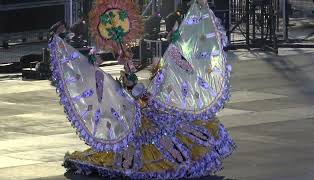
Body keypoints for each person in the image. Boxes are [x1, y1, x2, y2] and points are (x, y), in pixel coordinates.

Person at [49, 0, 235, 179]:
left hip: (150, 110)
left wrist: (136, 84)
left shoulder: (151, 67)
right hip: (138, 113)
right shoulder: (125, 71)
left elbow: (145, 91)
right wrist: (130, 83)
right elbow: (134, 94)